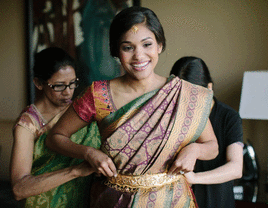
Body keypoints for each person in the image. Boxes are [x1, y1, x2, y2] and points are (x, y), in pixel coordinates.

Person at [46, 7, 218, 208]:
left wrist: (195, 150)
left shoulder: (185, 95)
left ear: (159, 46)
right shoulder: (98, 94)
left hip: (172, 201)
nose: (139, 56)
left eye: (147, 44)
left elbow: (212, 146)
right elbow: (55, 138)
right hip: (115, 201)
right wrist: (88, 153)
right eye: (128, 47)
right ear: (116, 51)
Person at [10, 47, 101, 207]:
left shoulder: (79, 112)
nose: (68, 92)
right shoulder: (27, 126)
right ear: (39, 83)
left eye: (72, 83)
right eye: (59, 86)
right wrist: (75, 171)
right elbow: (19, 189)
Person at [170, 56, 243, 208]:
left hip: (216, 200)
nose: (187, 101)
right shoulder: (174, 113)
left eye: (193, 95)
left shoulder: (229, 117)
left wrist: (195, 178)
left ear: (209, 88)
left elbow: (236, 169)